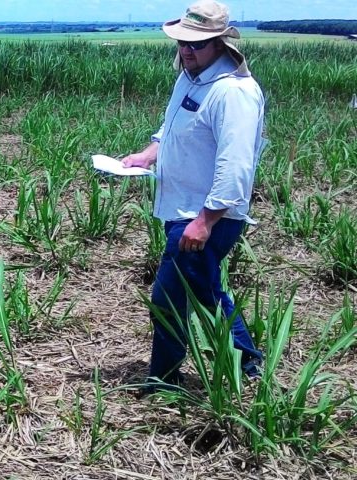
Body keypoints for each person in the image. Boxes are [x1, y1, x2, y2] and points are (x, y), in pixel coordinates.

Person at [121, 0, 265, 392]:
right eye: (182, 42)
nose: (186, 50)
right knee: (205, 293)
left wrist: (205, 221)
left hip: (206, 217)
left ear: (220, 43)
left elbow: (236, 165)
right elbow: (172, 126)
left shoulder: (234, 92)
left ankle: (167, 381)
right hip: (181, 210)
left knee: (171, 300)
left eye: (196, 44)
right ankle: (247, 366)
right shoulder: (190, 76)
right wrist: (147, 155)